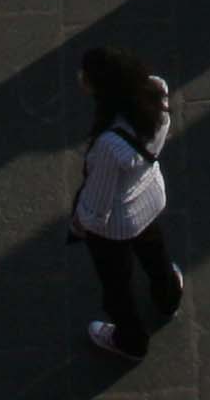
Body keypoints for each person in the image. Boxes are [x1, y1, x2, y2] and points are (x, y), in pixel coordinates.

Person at [70, 46, 185, 359]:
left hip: (116, 224)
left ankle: (131, 341)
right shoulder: (157, 91)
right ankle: (168, 298)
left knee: (116, 284)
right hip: (149, 197)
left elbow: (99, 202)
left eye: (86, 76)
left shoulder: (110, 145)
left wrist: (80, 223)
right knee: (155, 253)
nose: (81, 78)